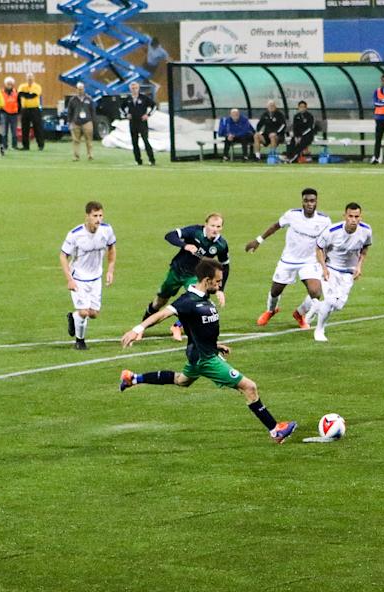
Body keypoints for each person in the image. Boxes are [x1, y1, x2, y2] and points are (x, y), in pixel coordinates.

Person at [119, 257, 298, 444]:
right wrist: (138, 329)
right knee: (249, 387)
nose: (220, 285)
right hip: (205, 359)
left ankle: (132, 378)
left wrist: (215, 344)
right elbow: (162, 314)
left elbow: (200, 328)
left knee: (182, 380)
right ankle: (275, 430)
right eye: (218, 281)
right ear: (207, 280)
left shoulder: (204, 298)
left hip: (202, 352)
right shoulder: (187, 300)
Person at [248, 187, 332, 330]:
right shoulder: (292, 215)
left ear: (316, 202)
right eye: (306, 201)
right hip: (288, 260)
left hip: (309, 261)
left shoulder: (324, 220)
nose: (309, 204)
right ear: (302, 202)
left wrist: (326, 261)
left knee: (316, 292)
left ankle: (300, 314)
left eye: (312, 201)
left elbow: (328, 241)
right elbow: (276, 226)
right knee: (275, 291)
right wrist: (258, 240)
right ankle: (270, 310)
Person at [143, 213, 231, 325]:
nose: (215, 229)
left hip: (195, 276)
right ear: (206, 225)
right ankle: (144, 324)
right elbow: (170, 235)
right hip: (177, 271)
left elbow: (225, 266)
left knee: (195, 300)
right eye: (212, 226)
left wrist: (220, 289)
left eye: (218, 226)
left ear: (222, 228)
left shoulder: (221, 245)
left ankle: (177, 326)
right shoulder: (194, 231)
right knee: (159, 302)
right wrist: (185, 245)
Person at [308, 202, 371, 343]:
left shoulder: (366, 230)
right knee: (330, 301)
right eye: (350, 216)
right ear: (344, 216)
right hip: (330, 269)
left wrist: (359, 266)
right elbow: (318, 248)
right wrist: (323, 268)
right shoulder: (332, 231)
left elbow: (365, 248)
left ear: (361, 217)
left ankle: (316, 306)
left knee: (338, 305)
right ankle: (319, 330)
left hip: (348, 272)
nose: (353, 219)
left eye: (356, 216)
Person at [60, 200, 116, 350]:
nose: (98, 219)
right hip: (78, 278)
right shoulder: (75, 234)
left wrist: (110, 269)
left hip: (96, 277)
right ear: (87, 216)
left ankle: (73, 317)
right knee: (84, 312)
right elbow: (63, 256)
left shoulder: (107, 230)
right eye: (95, 216)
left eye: (101, 215)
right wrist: (69, 280)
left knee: (94, 313)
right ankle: (80, 341)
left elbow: (112, 248)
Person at [122, 81, 155, 166]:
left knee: (145, 140)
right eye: (132, 88)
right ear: (130, 89)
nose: (134, 90)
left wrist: (148, 115)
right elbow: (121, 108)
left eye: (136, 88)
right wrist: (126, 115)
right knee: (134, 142)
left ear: (138, 88)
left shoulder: (144, 98)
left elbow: (154, 106)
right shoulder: (128, 99)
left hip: (142, 122)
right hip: (133, 123)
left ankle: (152, 159)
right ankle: (138, 160)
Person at [65, 84, 95, 161]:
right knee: (76, 140)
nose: (80, 90)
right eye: (78, 89)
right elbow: (69, 112)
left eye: (81, 89)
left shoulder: (89, 99)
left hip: (87, 122)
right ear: (76, 89)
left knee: (89, 140)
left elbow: (93, 111)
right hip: (76, 122)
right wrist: (69, 122)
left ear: (84, 89)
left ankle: (90, 155)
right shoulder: (72, 100)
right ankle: (76, 156)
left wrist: (92, 121)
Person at [17, 73, 44, 151]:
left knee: (37, 127)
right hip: (25, 109)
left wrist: (26, 94)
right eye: (28, 77)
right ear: (26, 78)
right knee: (25, 128)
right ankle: (25, 146)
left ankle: (40, 145)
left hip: (35, 109)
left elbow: (33, 96)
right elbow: (20, 94)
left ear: (34, 78)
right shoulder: (22, 86)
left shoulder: (37, 86)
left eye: (31, 77)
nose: (30, 79)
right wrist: (28, 94)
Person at [0, 76, 20, 151]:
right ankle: (4, 146)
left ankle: (14, 145)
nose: (9, 85)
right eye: (8, 84)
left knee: (14, 131)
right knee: (4, 130)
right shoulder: (1, 92)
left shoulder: (16, 92)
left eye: (11, 84)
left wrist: (18, 111)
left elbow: (19, 102)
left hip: (14, 113)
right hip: (4, 113)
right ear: (5, 84)